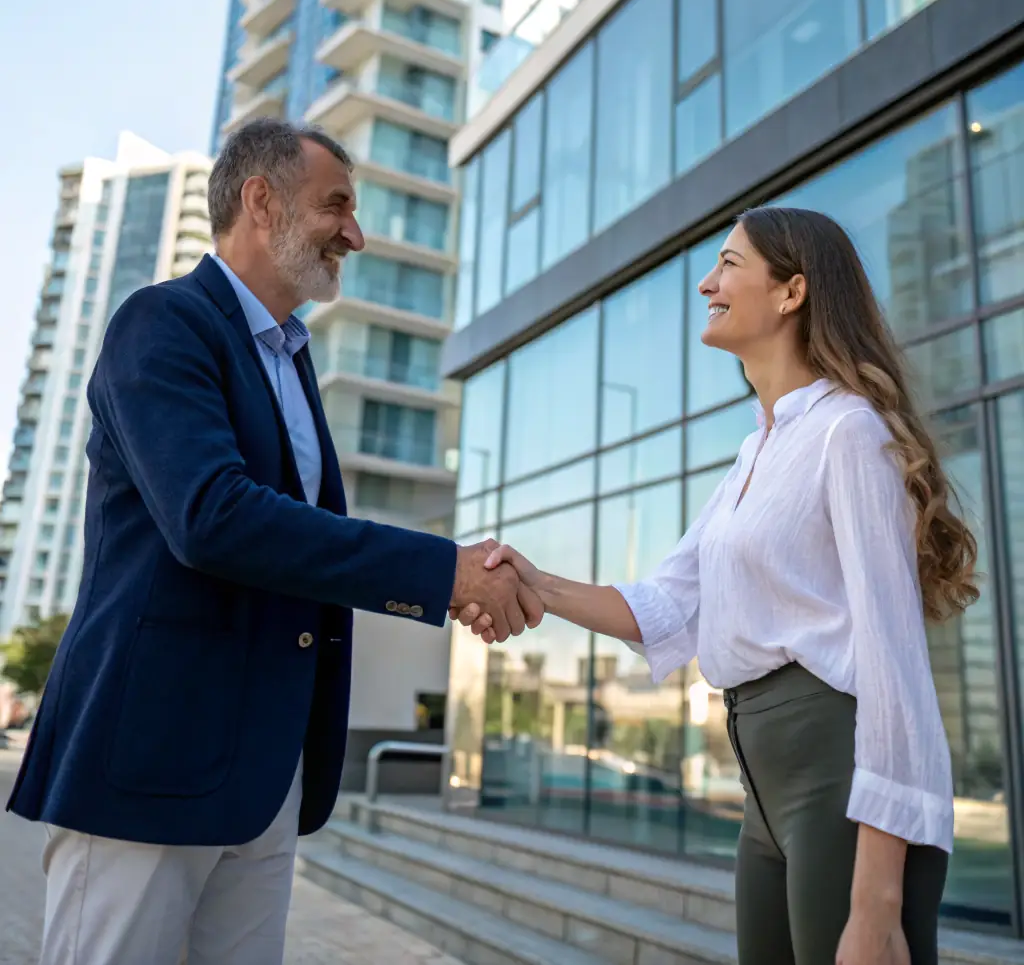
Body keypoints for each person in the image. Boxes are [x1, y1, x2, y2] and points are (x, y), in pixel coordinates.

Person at [9, 118, 541, 965]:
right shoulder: (163, 323)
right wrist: (443, 571)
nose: (355, 234)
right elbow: (212, 515)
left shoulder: (292, 364)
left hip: (265, 777)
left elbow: (296, 544)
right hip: (152, 763)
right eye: (337, 205)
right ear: (260, 200)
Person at [456, 206, 979, 965]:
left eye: (729, 264)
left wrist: (877, 902)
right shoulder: (753, 454)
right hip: (761, 789)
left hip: (836, 772)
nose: (708, 281)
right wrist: (533, 580)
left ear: (793, 291)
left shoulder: (850, 431)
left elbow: (894, 667)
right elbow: (667, 603)